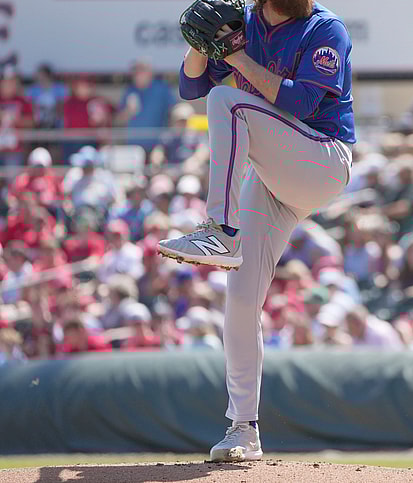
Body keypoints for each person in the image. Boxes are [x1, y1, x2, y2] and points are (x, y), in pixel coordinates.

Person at [158, 0, 355, 463]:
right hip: (271, 179)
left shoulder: (324, 29)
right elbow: (190, 85)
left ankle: (222, 231)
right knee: (242, 300)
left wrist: (235, 57)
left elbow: (299, 102)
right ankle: (243, 428)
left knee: (227, 101)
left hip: (321, 160)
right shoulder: (243, 20)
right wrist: (199, 48)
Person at [116, 58, 176, 151]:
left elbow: (174, 111)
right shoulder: (130, 91)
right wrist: (128, 111)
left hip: (157, 147)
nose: (138, 74)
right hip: (133, 147)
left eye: (142, 70)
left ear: (150, 73)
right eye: (136, 71)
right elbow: (118, 121)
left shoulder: (161, 88)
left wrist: (168, 136)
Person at [0, 67, 34, 165]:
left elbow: (32, 122)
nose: (9, 85)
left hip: (14, 150)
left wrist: (16, 119)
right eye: (5, 82)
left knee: (12, 178)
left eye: (12, 82)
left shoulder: (23, 101)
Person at [26, 64, 68, 130]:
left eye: (41, 75)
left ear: (48, 75)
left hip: (56, 124)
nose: (39, 77)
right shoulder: (33, 89)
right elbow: (30, 105)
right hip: (39, 124)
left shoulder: (60, 88)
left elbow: (63, 106)